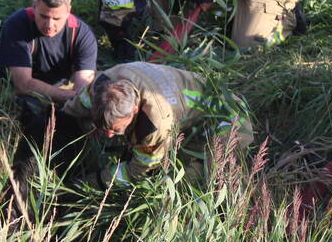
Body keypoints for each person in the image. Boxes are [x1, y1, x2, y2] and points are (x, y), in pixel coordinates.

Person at [62, 62, 252, 187]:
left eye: (116, 129)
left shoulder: (153, 124)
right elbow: (73, 109)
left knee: (180, 182)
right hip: (190, 111)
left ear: (135, 109)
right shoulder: (100, 87)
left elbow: (137, 171)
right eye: (104, 128)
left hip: (229, 118)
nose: (109, 135)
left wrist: (90, 182)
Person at [0, 0, 97, 132]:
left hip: (62, 88)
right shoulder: (17, 25)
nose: (49, 25)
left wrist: (78, 102)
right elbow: (22, 85)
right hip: (24, 93)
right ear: (34, 6)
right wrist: (70, 97)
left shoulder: (82, 34)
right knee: (33, 115)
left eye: (57, 19)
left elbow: (83, 87)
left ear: (68, 11)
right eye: (44, 16)